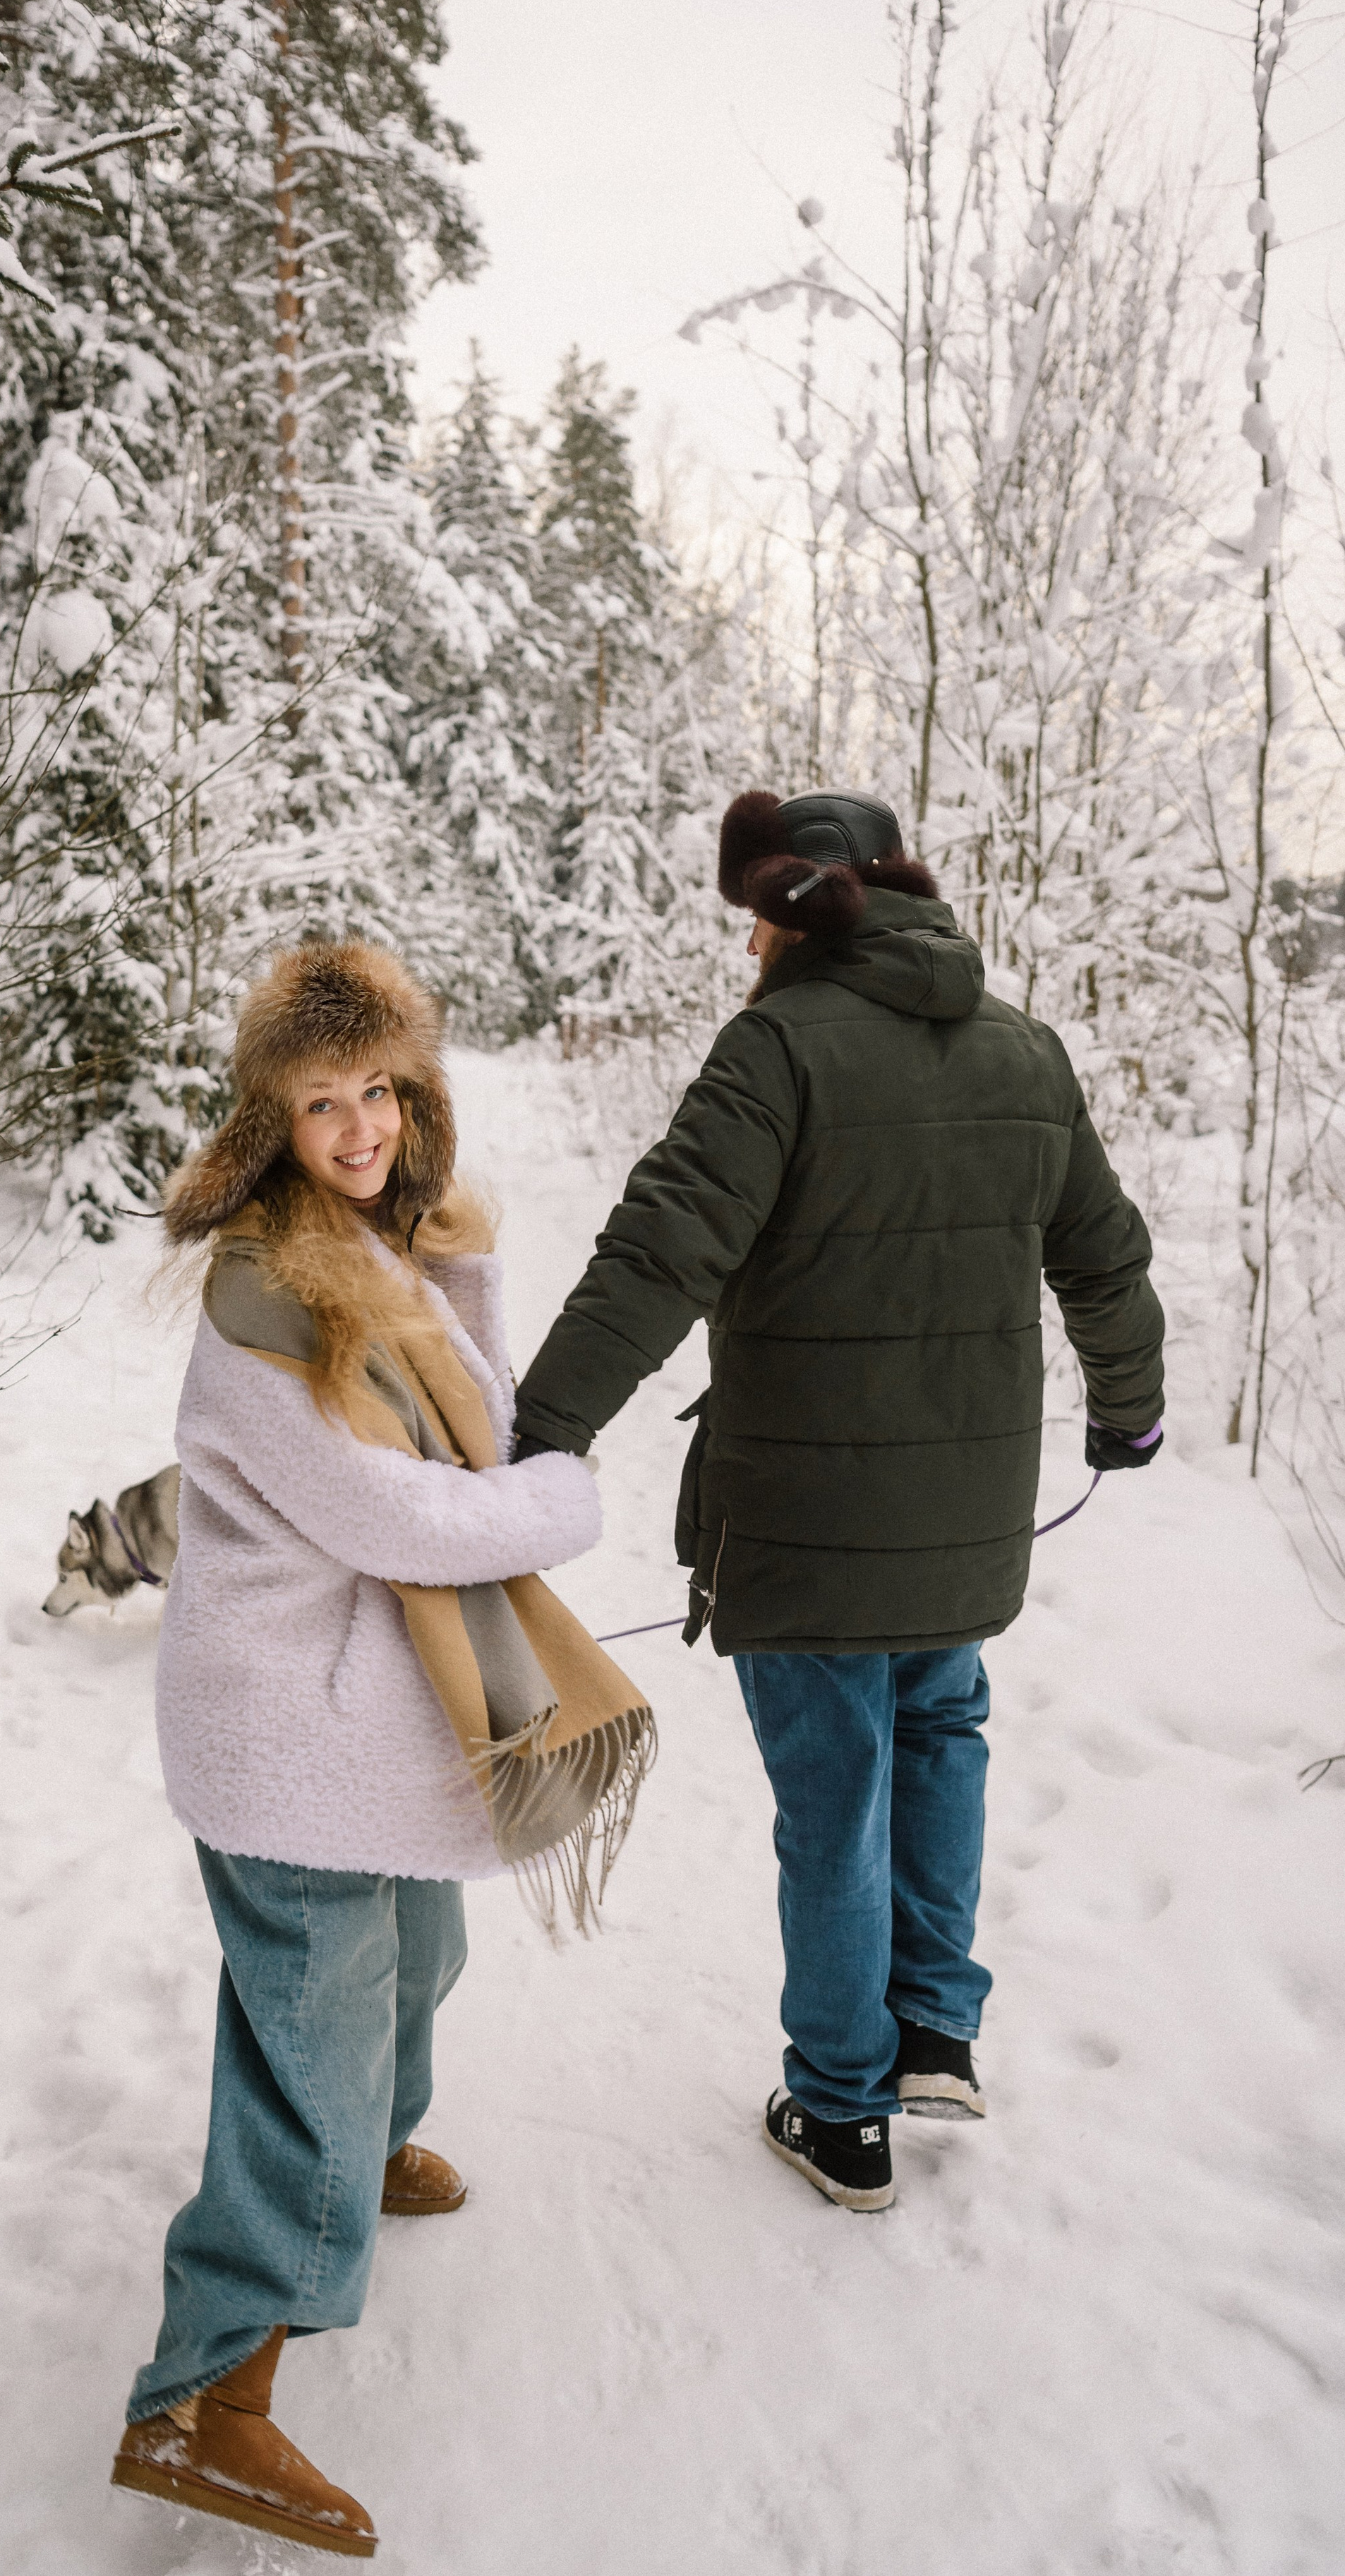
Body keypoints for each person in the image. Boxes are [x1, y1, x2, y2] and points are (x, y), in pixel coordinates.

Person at [512, 788, 1165, 2214]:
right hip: (965, 1518)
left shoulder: (777, 1049)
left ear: (788, 911)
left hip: (801, 1525)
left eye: (753, 916)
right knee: (937, 1732)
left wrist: (537, 1432)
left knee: (835, 1796)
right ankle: (932, 2026)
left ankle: (839, 2105)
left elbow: (657, 1255)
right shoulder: (1021, 1049)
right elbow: (1102, 1260)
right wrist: (1128, 1407)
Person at [111, 940, 653, 2556]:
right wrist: (566, 1503)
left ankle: (366, 2145)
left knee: (415, 1962)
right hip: (287, 1736)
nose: (354, 1129)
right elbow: (400, 1511)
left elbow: (465, 1417)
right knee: (306, 2057)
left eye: (380, 1094)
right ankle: (204, 2399)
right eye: (320, 1101)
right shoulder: (267, 1293)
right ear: (269, 1120)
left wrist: (453, 1251)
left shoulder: (372, 1247)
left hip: (362, 1730)